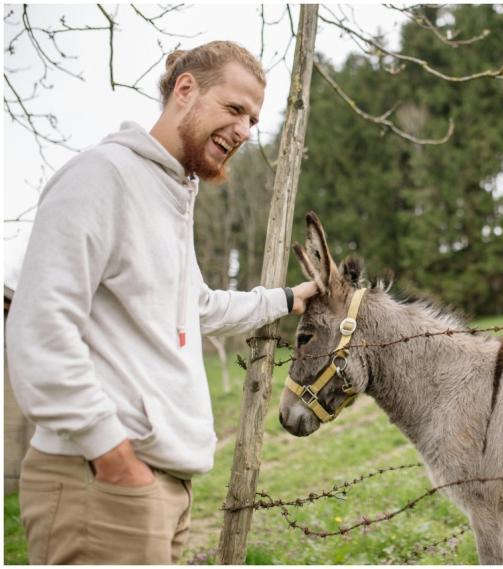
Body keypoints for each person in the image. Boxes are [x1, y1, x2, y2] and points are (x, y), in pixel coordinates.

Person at [6, 41, 318, 564]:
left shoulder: (170, 192)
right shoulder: (102, 177)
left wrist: (285, 299)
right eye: (235, 109)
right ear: (186, 89)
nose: (244, 130)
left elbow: (196, 306)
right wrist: (113, 456)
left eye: (252, 120)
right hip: (100, 484)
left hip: (154, 487)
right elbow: (39, 328)